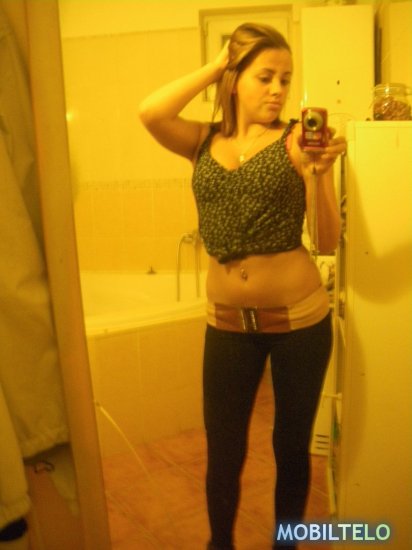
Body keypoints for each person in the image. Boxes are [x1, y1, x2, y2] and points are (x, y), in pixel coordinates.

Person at [139, 22, 346, 550]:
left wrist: (319, 173)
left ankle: (284, 545)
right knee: (224, 451)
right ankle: (220, 544)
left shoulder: (296, 139)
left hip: (299, 324)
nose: (278, 90)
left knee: (291, 449)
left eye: (286, 79)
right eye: (265, 76)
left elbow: (326, 241)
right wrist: (216, 65)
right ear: (235, 80)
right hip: (227, 325)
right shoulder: (202, 140)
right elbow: (151, 112)